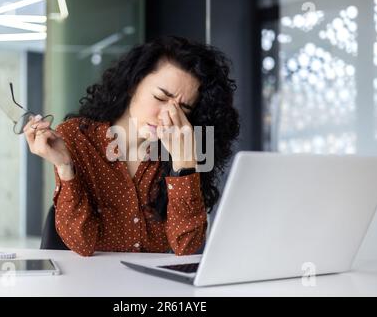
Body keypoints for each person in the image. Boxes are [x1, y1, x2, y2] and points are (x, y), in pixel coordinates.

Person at [23, 36, 240, 256]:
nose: (168, 116)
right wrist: (65, 166)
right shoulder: (77, 137)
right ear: (133, 85)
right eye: (160, 97)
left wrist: (184, 166)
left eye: (183, 109)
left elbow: (186, 247)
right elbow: (82, 244)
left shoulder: (189, 146)